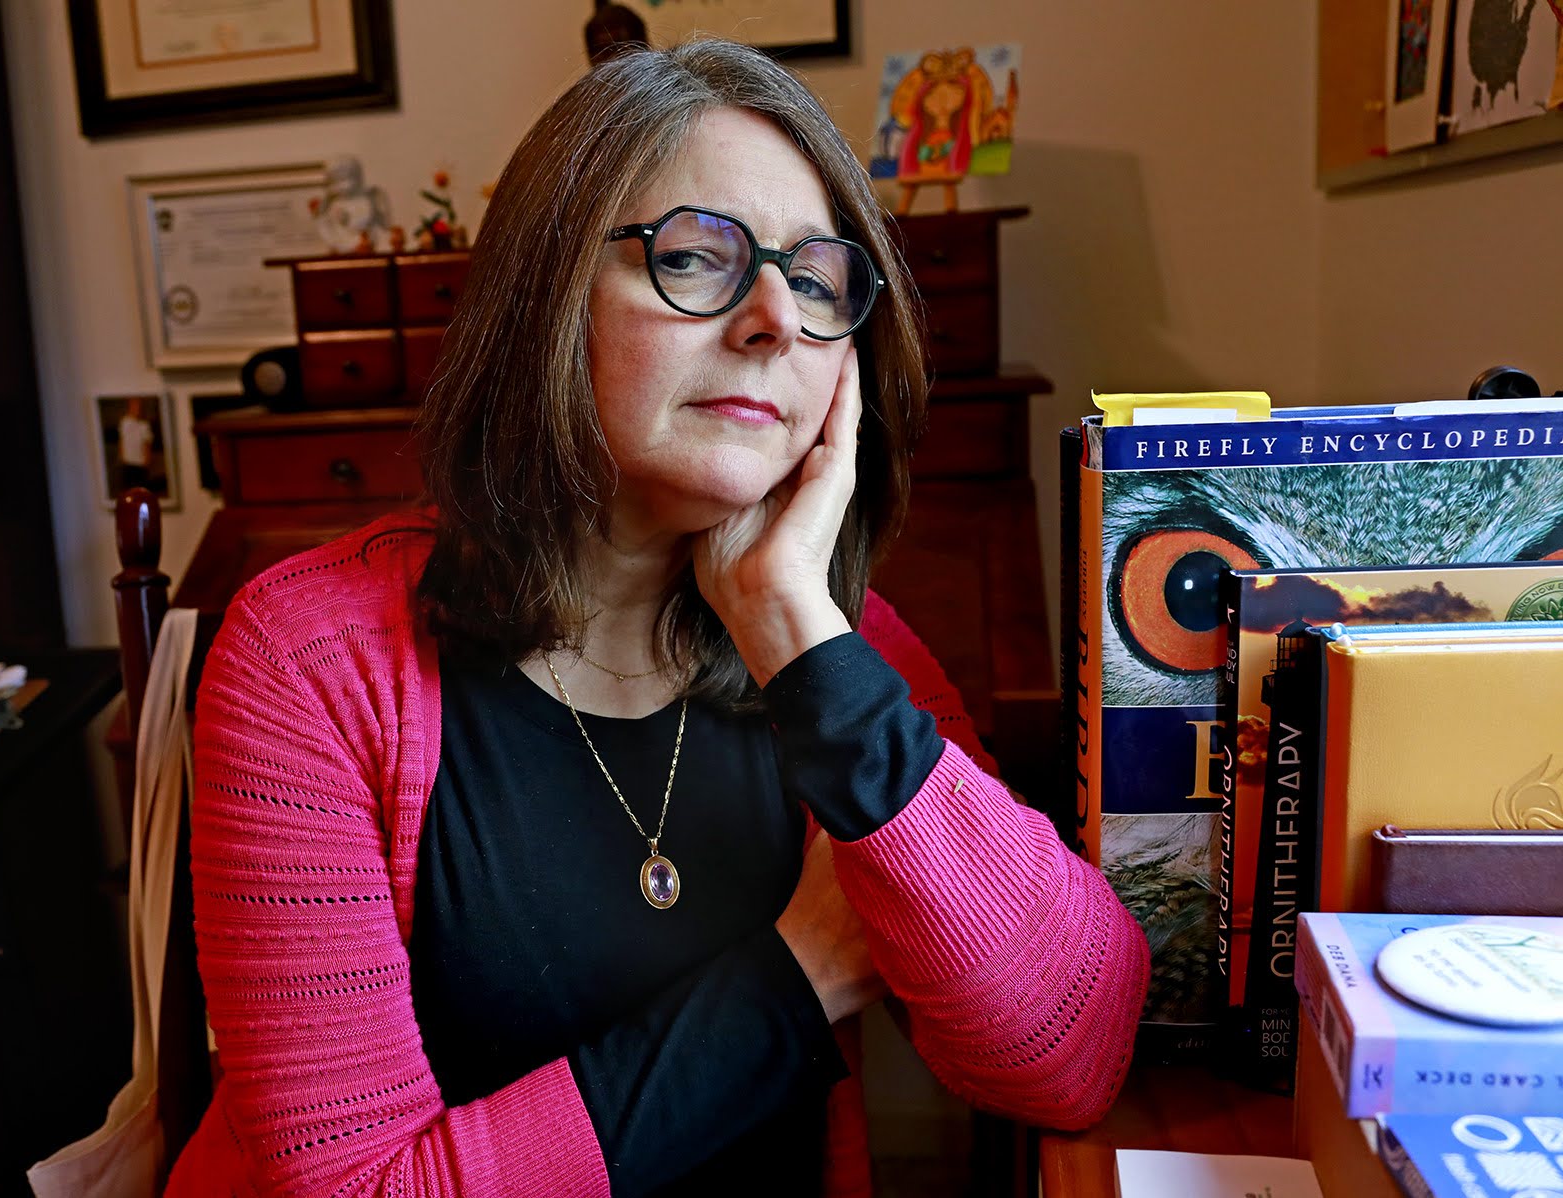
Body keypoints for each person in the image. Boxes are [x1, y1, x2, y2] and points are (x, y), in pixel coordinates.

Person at [167, 40, 1148, 1198]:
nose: (775, 318)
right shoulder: (309, 660)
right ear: (543, 297)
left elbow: (1070, 1058)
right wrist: (794, 982)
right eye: (692, 257)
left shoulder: (831, 641)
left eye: (818, 281)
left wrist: (796, 631)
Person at [116, 397, 155, 492]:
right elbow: (122, 439)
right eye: (134, 407)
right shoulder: (124, 422)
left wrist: (147, 459)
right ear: (130, 407)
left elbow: (147, 444)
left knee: (141, 488)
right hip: (127, 461)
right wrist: (121, 454)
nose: (137, 410)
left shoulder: (144, 425)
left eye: (139, 407)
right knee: (127, 488)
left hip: (140, 462)